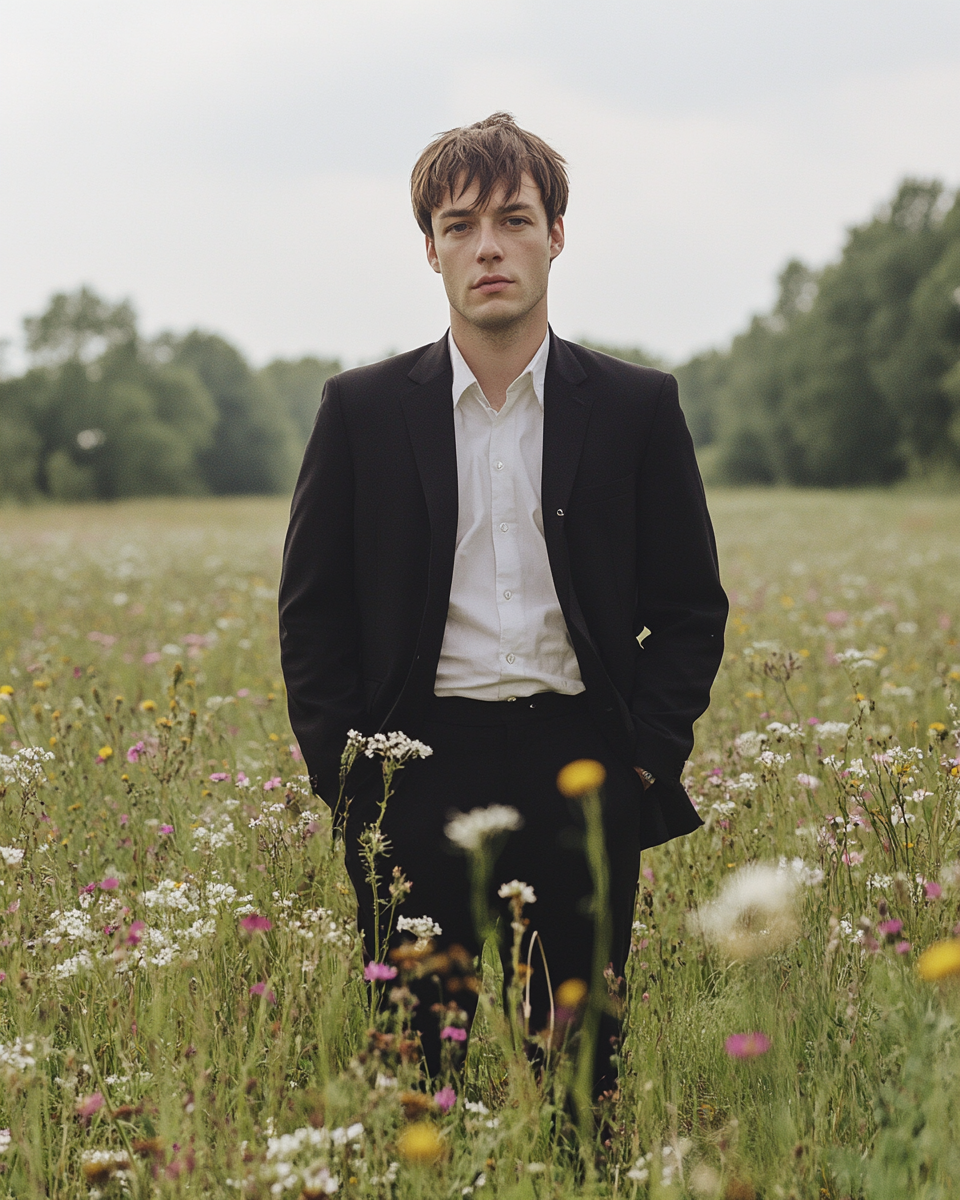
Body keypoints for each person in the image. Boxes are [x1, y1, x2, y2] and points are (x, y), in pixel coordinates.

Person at [279, 112, 728, 1087]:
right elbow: (312, 615)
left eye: (515, 220)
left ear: (556, 236)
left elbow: (692, 607)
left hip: (580, 770)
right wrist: (352, 782)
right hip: (417, 764)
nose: (489, 246)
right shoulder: (357, 412)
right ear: (430, 249)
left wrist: (644, 763)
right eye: (460, 225)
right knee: (416, 1083)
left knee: (577, 1089)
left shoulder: (636, 407)